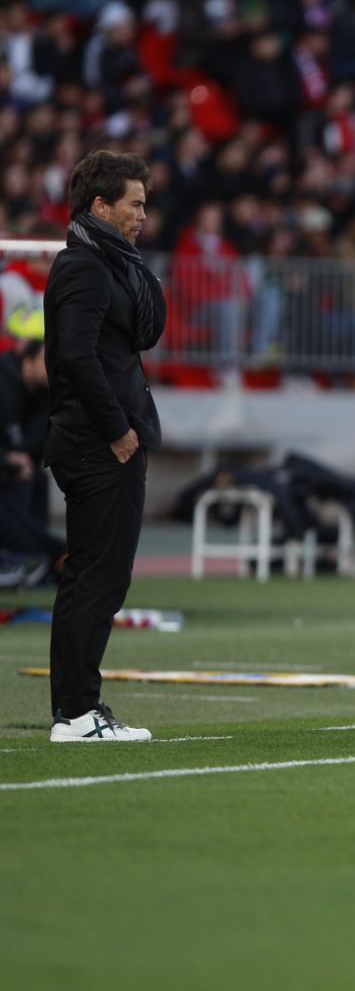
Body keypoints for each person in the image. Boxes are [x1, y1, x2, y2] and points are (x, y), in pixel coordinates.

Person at [43, 150, 165, 742]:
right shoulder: (84, 267)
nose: (143, 214)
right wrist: (118, 429)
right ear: (100, 205)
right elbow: (77, 356)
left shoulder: (101, 264)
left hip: (97, 441)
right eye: (134, 203)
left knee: (95, 576)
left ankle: (75, 708)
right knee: (98, 576)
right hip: (97, 444)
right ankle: (76, 711)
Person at [0, 334, 66, 577]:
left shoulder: (42, 395)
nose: (53, 367)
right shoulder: (3, 385)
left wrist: (19, 460)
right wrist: (8, 460)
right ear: (28, 360)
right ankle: (49, 554)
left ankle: (37, 559)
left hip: (14, 470)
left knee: (33, 478)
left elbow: (34, 448)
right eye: (47, 359)